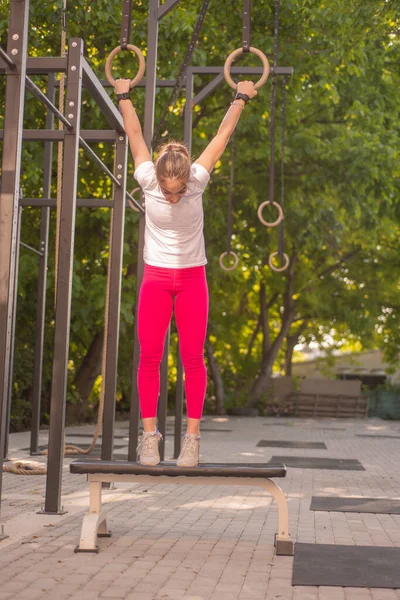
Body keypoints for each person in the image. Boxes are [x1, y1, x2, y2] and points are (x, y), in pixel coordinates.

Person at [115, 77, 257, 467]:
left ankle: (192, 439)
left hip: (193, 279)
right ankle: (149, 437)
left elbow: (222, 135)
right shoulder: (148, 179)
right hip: (156, 279)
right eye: (169, 192)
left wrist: (241, 97)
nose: (175, 197)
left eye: (180, 191)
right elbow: (135, 134)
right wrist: (124, 94)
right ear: (158, 180)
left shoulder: (197, 178)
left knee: (193, 357)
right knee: (149, 357)